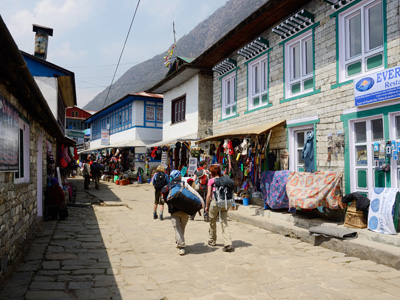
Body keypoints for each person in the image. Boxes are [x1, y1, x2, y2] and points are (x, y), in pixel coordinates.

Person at [166, 169, 204, 255]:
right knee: (181, 228)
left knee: (177, 228)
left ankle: (180, 244)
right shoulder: (184, 184)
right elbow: (194, 193)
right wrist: (202, 202)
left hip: (173, 210)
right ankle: (181, 245)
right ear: (179, 176)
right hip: (185, 210)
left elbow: (164, 198)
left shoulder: (168, 186)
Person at [205, 164, 234, 252]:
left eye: (210, 171)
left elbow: (209, 195)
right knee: (224, 222)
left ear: (212, 172)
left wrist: (207, 206)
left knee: (212, 222)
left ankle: (212, 240)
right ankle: (228, 243)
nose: (209, 173)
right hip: (225, 203)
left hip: (215, 203)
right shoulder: (224, 179)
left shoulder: (211, 180)